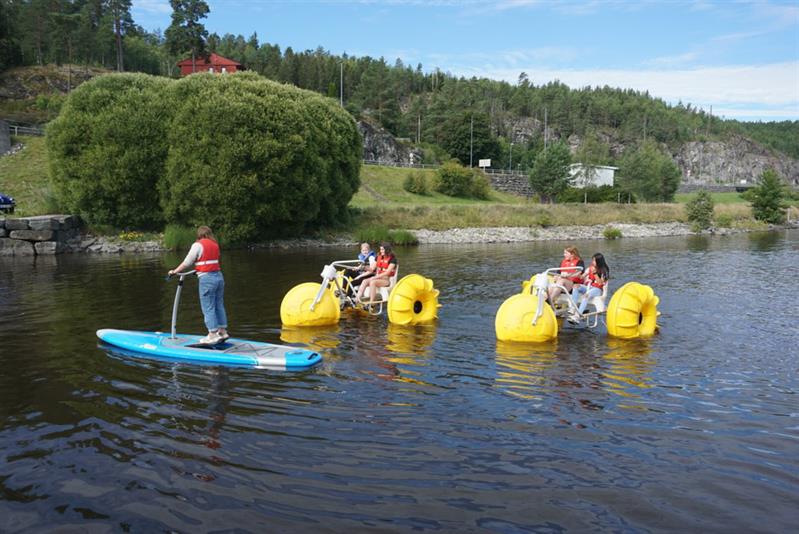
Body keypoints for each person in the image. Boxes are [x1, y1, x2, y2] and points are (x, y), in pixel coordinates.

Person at [168, 225, 229, 344]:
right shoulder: (215, 244)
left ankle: (212, 334)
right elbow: (210, 261)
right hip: (219, 277)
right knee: (218, 304)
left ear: (199, 235)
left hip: (207, 279)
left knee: (208, 307)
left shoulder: (198, 245)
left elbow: (187, 262)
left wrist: (174, 271)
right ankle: (222, 331)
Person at [355, 242, 398, 307]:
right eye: (380, 249)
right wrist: (362, 267)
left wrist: (375, 277)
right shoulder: (378, 256)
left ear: (387, 249)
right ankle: (357, 299)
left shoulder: (392, 259)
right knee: (364, 281)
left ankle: (372, 302)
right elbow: (372, 269)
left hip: (386, 281)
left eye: (383, 249)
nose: (381, 251)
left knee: (373, 282)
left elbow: (387, 272)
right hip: (378, 278)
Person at [569, 253, 610, 321]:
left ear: (599, 261)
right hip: (589, 287)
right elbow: (582, 277)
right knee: (576, 286)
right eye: (592, 260)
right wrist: (577, 274)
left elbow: (600, 283)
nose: (592, 262)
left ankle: (578, 315)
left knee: (586, 295)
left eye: (594, 260)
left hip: (598, 289)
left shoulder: (604, 270)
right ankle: (573, 308)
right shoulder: (590, 268)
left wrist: (595, 273)